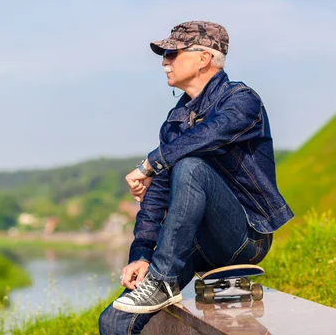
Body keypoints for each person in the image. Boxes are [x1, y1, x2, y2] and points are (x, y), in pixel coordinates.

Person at [98, 21, 294, 334]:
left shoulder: (243, 101)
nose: (164, 62)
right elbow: (156, 199)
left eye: (171, 53)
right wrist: (141, 255)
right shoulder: (174, 123)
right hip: (188, 245)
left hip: (244, 237)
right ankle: (158, 280)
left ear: (203, 58)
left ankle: (162, 282)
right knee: (112, 320)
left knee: (189, 166)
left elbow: (209, 133)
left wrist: (151, 163)